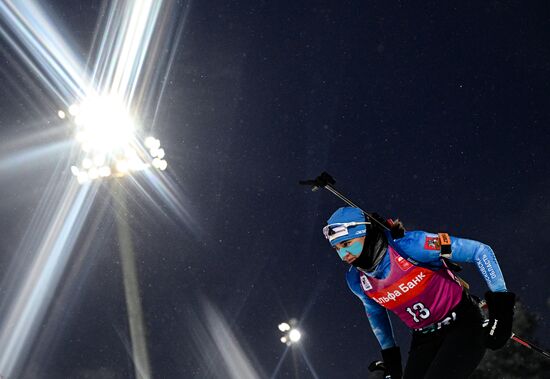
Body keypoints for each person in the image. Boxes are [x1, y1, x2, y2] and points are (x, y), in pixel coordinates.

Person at [323, 207, 516, 379]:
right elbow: (376, 314)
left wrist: (502, 312)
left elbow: (479, 251)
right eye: (337, 248)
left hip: (463, 324)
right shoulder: (357, 280)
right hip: (424, 339)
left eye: (347, 243)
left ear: (366, 233)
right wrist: (391, 362)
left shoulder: (410, 246)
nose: (343, 255)